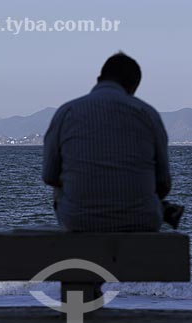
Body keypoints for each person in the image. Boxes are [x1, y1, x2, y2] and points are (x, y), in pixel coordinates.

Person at [42, 52, 183, 232]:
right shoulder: (147, 114)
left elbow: (49, 176)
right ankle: (162, 209)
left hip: (79, 222)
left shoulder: (67, 112)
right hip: (141, 221)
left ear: (100, 78)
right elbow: (163, 183)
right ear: (134, 85)